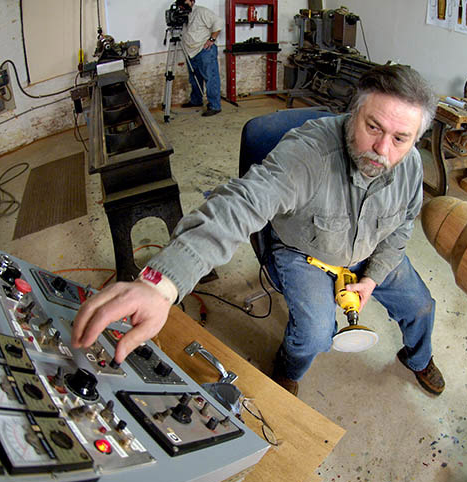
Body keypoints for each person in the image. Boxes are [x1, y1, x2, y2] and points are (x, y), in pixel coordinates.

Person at [72, 64, 445, 397]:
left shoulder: (410, 166)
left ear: (415, 139)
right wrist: (161, 283)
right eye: (373, 127)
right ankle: (289, 368)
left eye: (400, 139)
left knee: (421, 305)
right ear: (353, 112)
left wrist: (373, 278)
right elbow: (243, 203)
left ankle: (418, 357)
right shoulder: (310, 154)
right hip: (304, 252)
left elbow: (401, 228)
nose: (382, 149)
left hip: (371, 250)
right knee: (314, 335)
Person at [179, 0, 223, 117]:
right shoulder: (184, 15)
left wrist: (212, 39)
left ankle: (215, 106)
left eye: (185, 1)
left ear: (192, 1)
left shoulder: (201, 11)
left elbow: (218, 22)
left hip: (204, 50)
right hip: (191, 52)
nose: (183, 4)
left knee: (210, 78)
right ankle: (196, 100)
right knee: (194, 78)